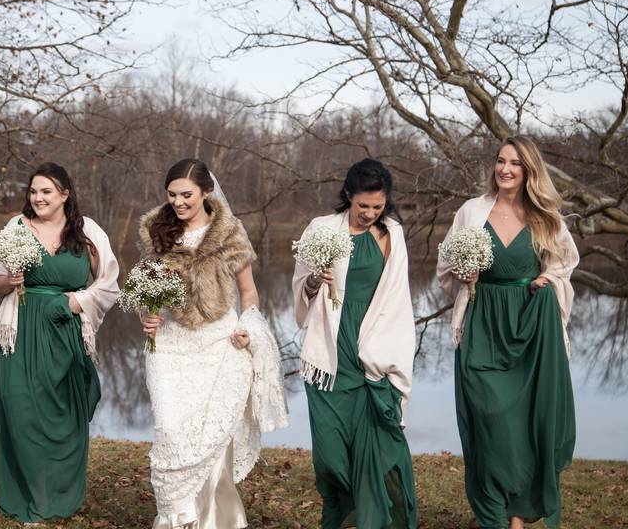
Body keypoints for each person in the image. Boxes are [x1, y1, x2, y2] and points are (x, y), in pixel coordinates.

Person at [438, 136, 578, 529]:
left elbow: (566, 262)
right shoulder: (471, 212)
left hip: (529, 327)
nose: (505, 169)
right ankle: (494, 510)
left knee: (522, 426)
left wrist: (546, 278)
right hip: (483, 323)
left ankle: (515, 517)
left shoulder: (545, 217)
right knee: (489, 418)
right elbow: (444, 266)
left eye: (514, 164)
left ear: (528, 170)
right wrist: (462, 276)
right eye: (500, 161)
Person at [139, 158, 288, 529]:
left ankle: (212, 520)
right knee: (170, 429)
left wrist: (247, 326)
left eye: (186, 194)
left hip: (219, 342)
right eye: (172, 195)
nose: (178, 202)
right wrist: (147, 313)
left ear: (206, 192)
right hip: (171, 345)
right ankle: (176, 518)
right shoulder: (157, 232)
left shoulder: (229, 234)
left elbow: (248, 292)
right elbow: (147, 289)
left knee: (211, 435)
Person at [0, 162, 119, 523]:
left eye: (46, 191)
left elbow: (109, 283)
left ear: (65, 194)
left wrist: (76, 302)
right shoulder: (15, 228)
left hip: (66, 330)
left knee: (64, 413)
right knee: (22, 408)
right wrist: (8, 282)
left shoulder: (87, 230)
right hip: (21, 332)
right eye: (33, 191)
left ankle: (59, 493)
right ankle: (31, 496)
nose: (38, 197)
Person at [292, 158, 417, 529]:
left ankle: (373, 521)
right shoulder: (321, 228)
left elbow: (397, 300)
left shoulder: (391, 233)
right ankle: (344, 513)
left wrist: (390, 359)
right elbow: (301, 290)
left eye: (377, 206)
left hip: (371, 357)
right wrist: (315, 280)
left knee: (374, 457)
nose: (369, 213)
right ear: (348, 195)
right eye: (363, 205)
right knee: (331, 460)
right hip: (329, 357)